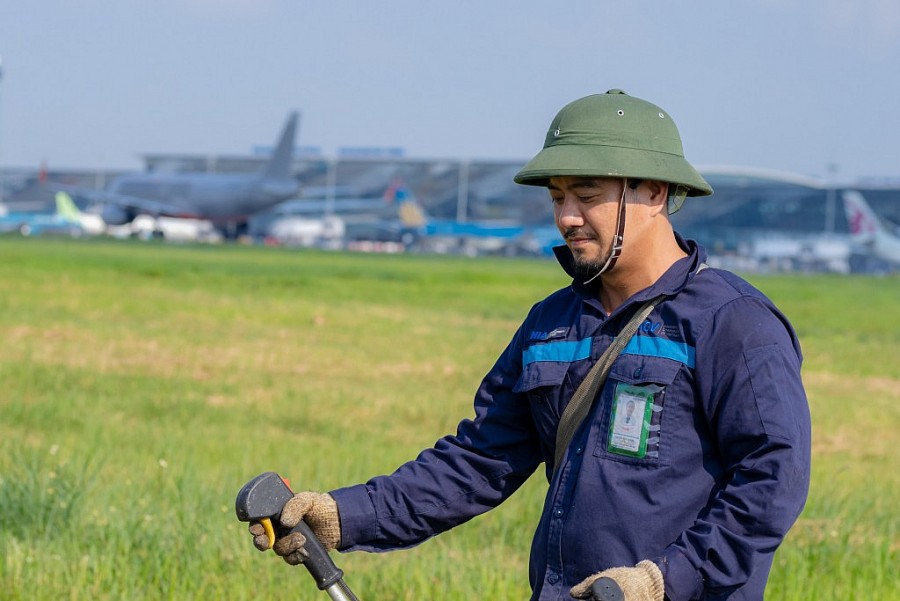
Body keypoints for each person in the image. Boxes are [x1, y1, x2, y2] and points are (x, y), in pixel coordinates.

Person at [248, 89, 812, 601]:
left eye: (586, 195)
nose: (566, 217)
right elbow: (478, 460)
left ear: (656, 192)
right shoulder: (551, 324)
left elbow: (772, 480)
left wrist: (663, 580)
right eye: (558, 196)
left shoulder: (732, 323)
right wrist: (346, 516)